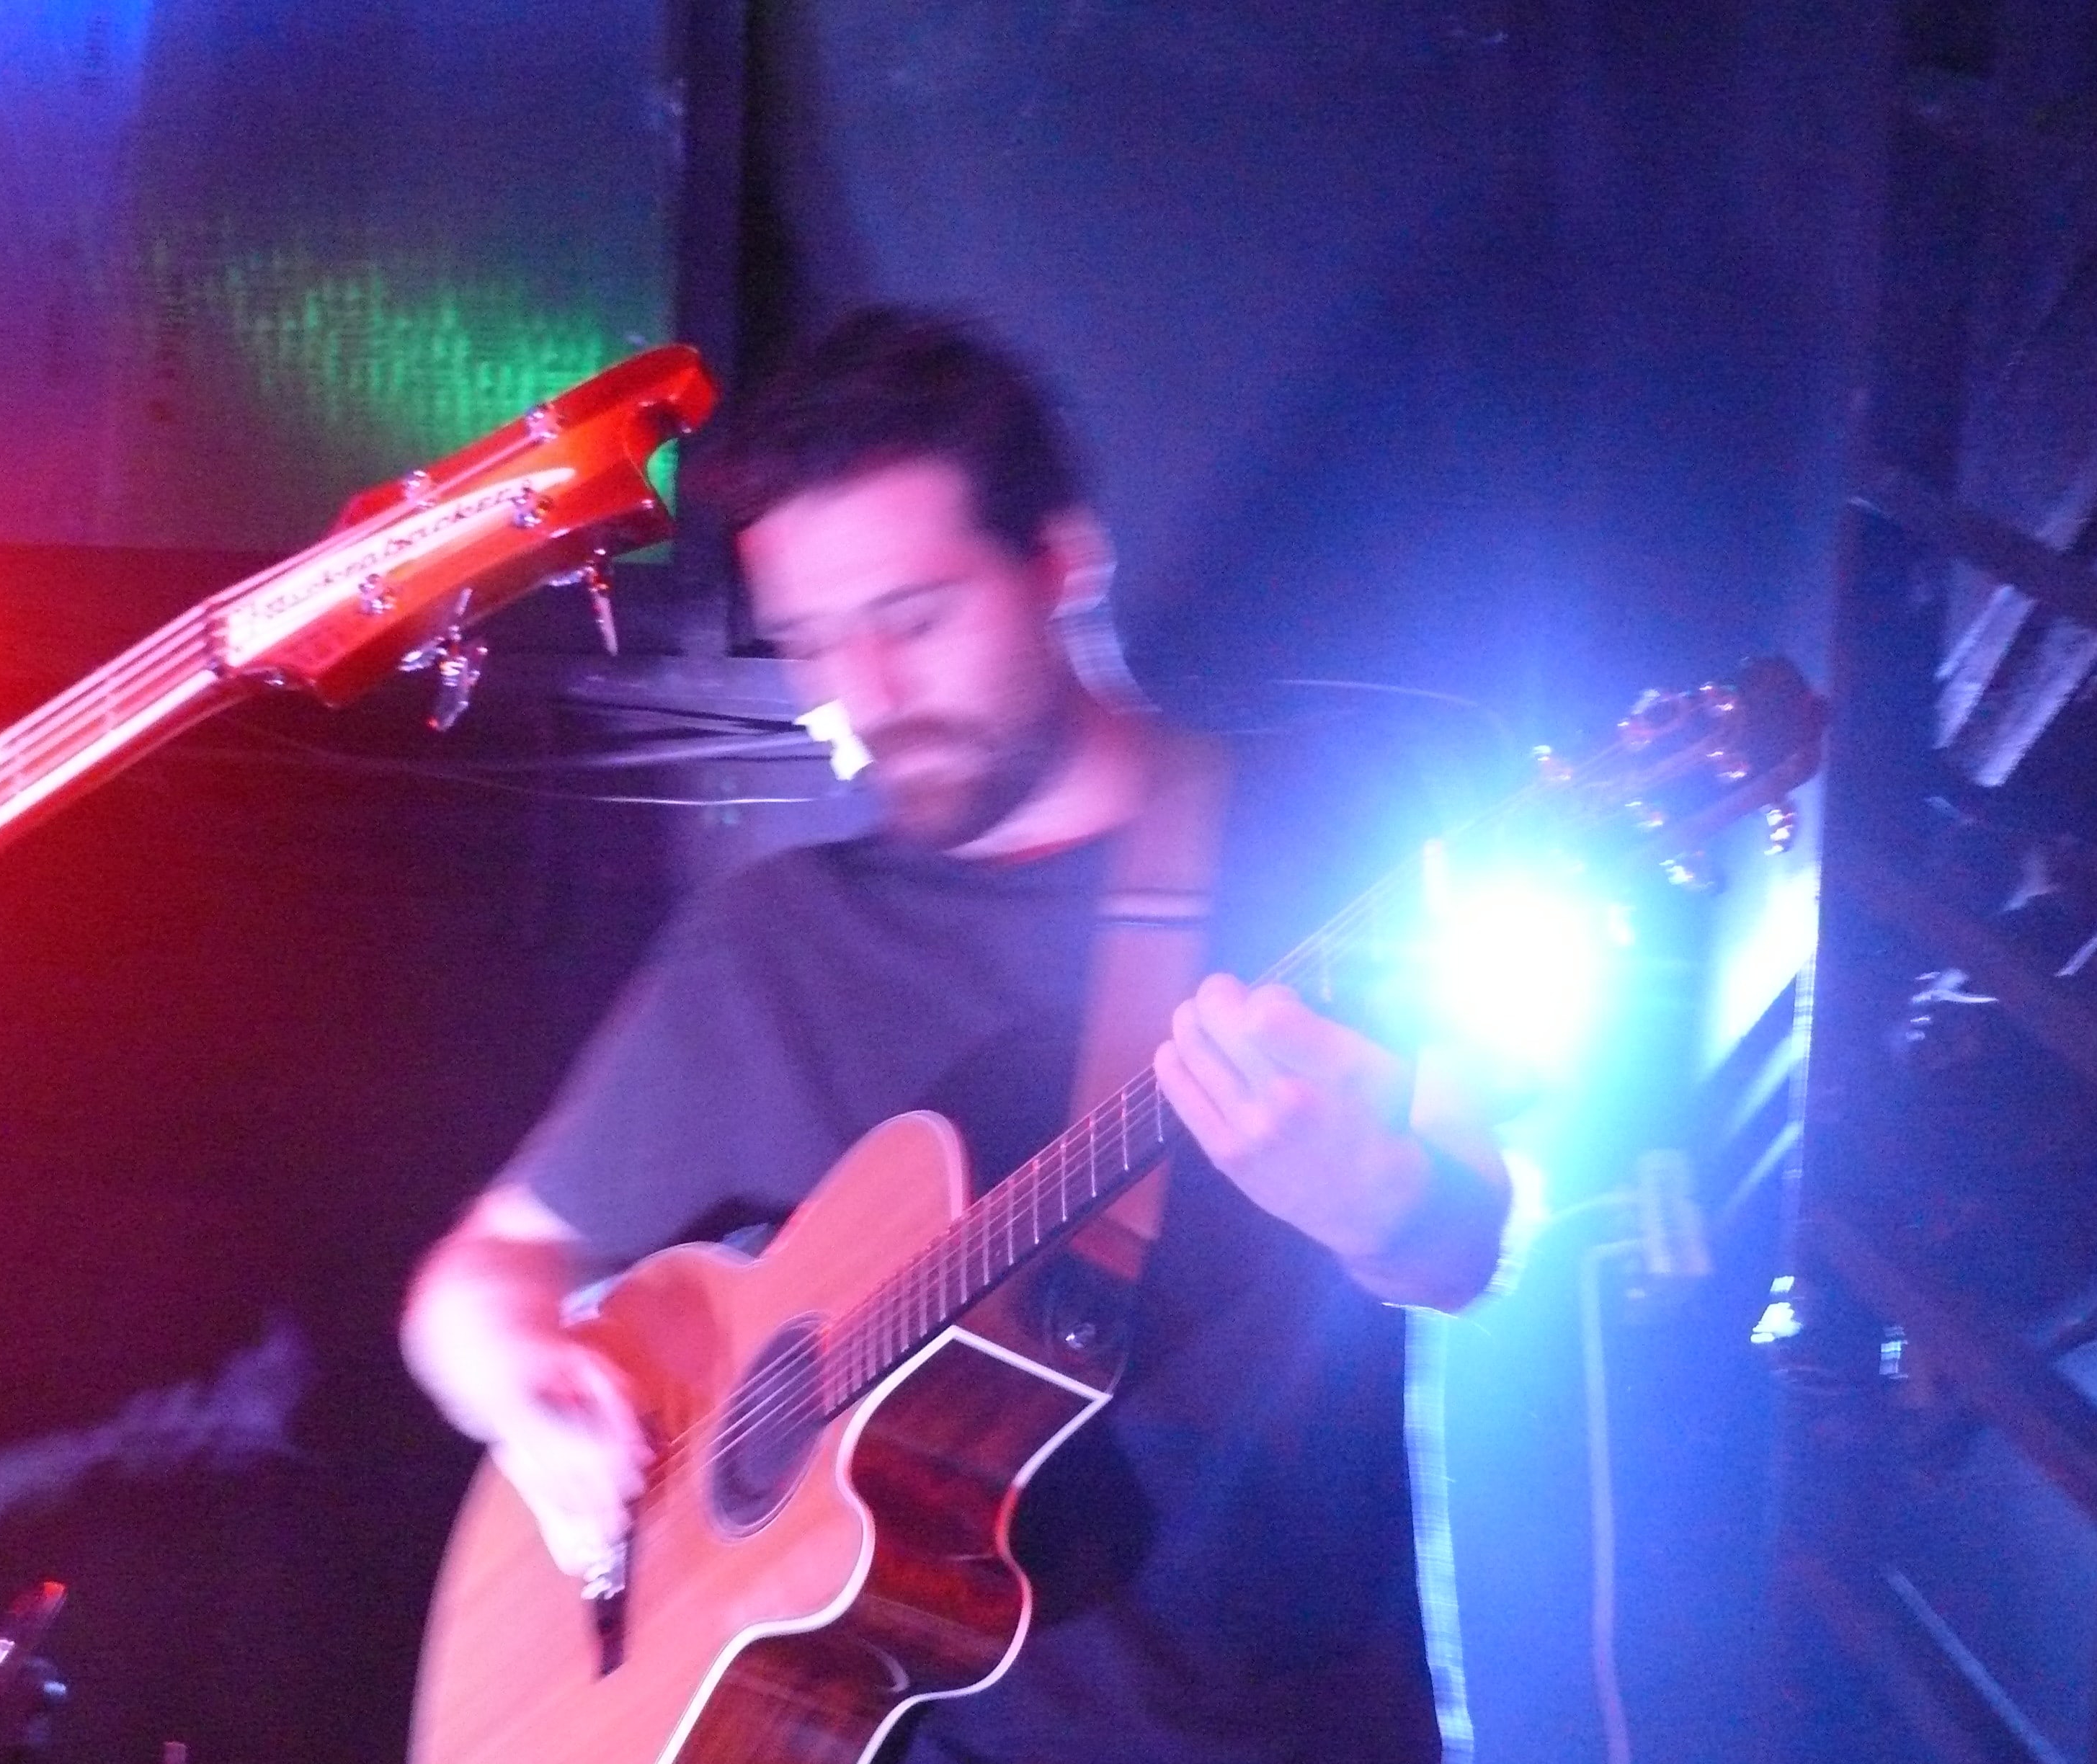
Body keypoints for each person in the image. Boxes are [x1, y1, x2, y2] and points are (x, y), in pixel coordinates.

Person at [401, 306, 1511, 1763]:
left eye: (914, 619)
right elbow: (471, 1288)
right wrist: (531, 1404)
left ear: (1062, 562)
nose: (862, 695)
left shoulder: (1310, 847)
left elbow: (1465, 1242)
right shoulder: (770, 946)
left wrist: (1376, 1203)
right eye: (812, 642)